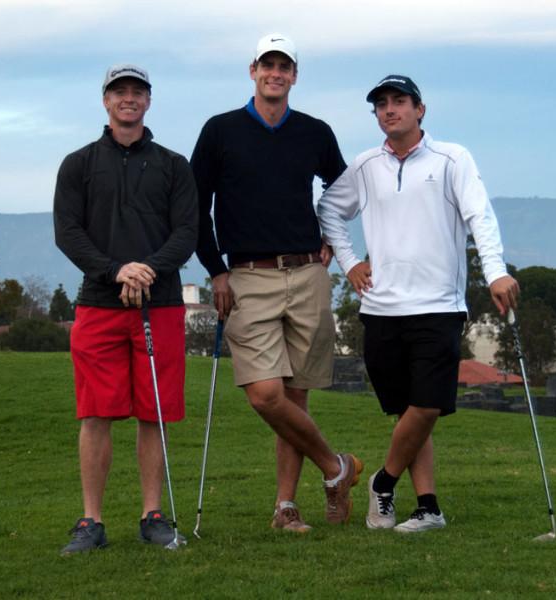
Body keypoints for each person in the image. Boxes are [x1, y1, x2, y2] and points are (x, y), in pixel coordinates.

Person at [317, 75, 520, 533]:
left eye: (399, 102)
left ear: (420, 109)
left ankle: (382, 484)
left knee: (426, 406)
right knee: (409, 410)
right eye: (381, 105)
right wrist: (349, 263)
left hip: (438, 306)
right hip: (381, 308)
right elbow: (329, 209)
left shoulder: (453, 159)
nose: (390, 110)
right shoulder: (366, 165)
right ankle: (427, 506)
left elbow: (479, 216)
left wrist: (495, 271)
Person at [191, 34, 361, 532]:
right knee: (266, 395)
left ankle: (286, 507)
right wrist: (214, 269)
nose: (276, 73)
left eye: (284, 66)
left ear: (294, 74)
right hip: (246, 275)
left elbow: (343, 189)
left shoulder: (314, 131)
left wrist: (331, 236)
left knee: (295, 396)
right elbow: (196, 207)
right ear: (253, 70)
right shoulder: (220, 131)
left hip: (308, 272)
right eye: (268, 64)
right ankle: (337, 469)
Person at [54, 64, 198, 553]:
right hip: (99, 303)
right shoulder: (78, 163)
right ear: (106, 101)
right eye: (120, 92)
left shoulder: (174, 165)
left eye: (137, 92)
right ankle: (91, 521)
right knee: (95, 413)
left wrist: (146, 270)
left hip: (159, 304)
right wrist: (116, 270)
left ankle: (152, 514)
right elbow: (68, 232)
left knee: (152, 413)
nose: (129, 99)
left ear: (149, 102)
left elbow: (186, 233)